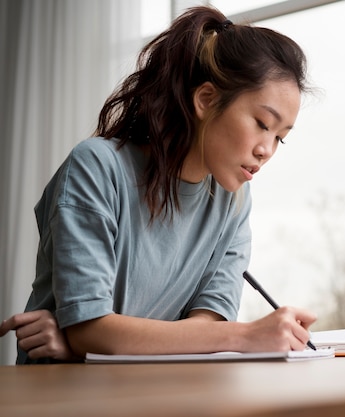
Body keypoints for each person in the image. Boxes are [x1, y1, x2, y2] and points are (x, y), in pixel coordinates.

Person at [0, 5, 316, 364]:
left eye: (280, 138)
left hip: (157, 392)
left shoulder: (235, 201)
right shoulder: (97, 168)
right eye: (262, 123)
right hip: (60, 395)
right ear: (206, 99)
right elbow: (90, 328)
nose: (267, 150)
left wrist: (83, 344)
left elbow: (206, 324)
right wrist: (245, 335)